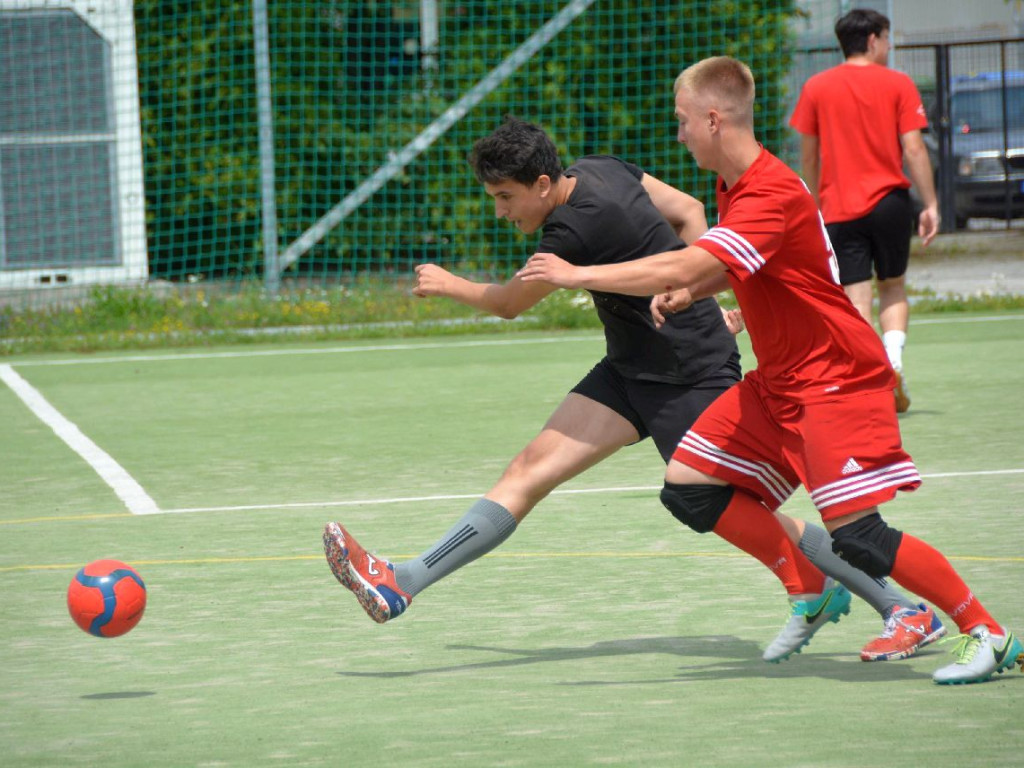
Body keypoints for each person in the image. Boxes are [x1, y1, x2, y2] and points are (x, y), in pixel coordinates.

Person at [323, 115, 945, 664]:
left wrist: (446, 282)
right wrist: (699, 294)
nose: (500, 211)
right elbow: (690, 214)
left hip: (689, 373)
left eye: (505, 197)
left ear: (543, 186)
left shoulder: (568, 234)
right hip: (630, 367)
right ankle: (402, 581)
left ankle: (901, 607)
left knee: (736, 509)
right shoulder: (603, 168)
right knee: (528, 471)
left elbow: (511, 304)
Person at [517, 57, 1021, 685]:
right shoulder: (735, 188)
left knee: (859, 534)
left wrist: (577, 274)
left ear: (712, 118)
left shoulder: (771, 191)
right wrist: (694, 294)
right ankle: (807, 585)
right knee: (689, 482)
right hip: (779, 380)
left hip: (832, 381)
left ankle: (988, 632)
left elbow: (684, 262)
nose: (678, 136)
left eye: (681, 124)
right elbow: (734, 266)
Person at [789, 8, 940, 413]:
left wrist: (816, 206)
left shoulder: (816, 87)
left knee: (855, 300)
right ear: (873, 39)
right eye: (888, 40)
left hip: (839, 207)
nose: (889, 48)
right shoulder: (898, 83)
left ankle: (868, 378)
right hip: (890, 203)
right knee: (892, 285)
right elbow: (913, 148)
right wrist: (931, 203)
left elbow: (809, 156)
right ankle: (893, 360)